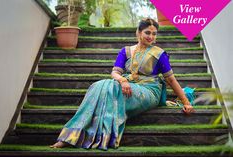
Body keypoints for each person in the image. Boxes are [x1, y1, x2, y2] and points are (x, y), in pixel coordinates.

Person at [50, 18, 195, 150]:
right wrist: (123, 80)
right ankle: (71, 135)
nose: (151, 37)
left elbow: (171, 80)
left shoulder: (159, 53)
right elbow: (115, 73)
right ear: (138, 32)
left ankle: (100, 136)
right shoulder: (126, 51)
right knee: (98, 86)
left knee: (112, 88)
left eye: (154, 34)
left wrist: (186, 102)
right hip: (125, 85)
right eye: (147, 33)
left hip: (149, 91)